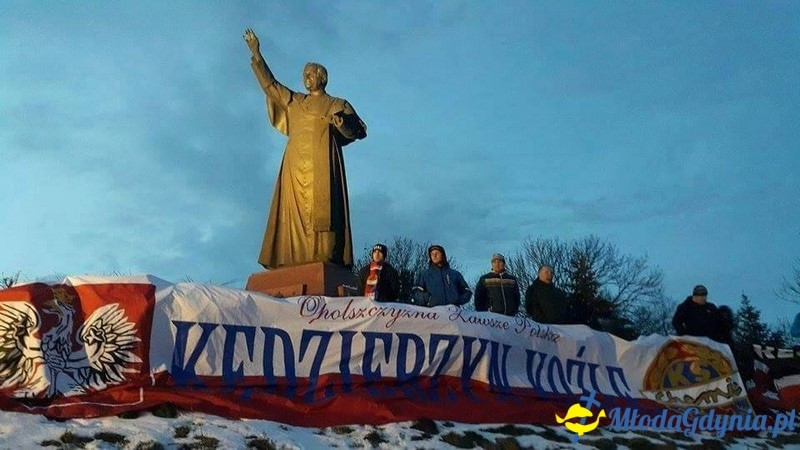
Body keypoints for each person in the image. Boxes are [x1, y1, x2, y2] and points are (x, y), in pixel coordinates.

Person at [244, 29, 367, 269]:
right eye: (304, 74)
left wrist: (343, 125)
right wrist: (257, 54)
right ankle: (289, 260)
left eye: (311, 74)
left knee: (324, 218)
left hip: (322, 167)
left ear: (322, 77)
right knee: (292, 215)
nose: (306, 77)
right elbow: (271, 86)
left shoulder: (336, 104)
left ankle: (325, 260)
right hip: (295, 167)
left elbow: (358, 130)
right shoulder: (295, 101)